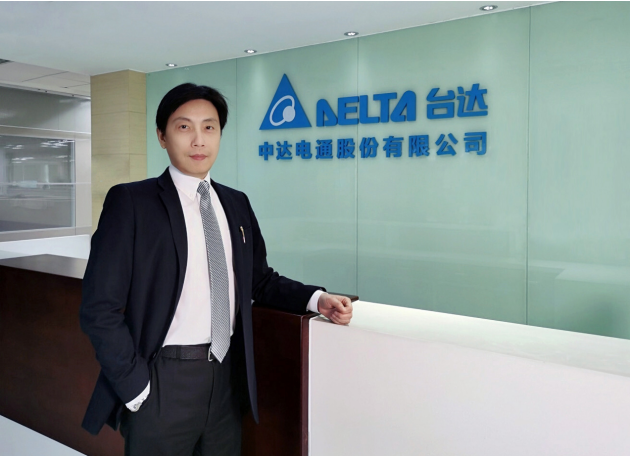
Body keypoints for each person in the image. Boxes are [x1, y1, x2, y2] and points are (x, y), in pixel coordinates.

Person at [79, 83, 353, 455]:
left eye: (209, 127)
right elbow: (99, 308)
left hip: (227, 379)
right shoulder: (131, 202)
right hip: (163, 381)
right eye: (184, 127)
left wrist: (315, 299)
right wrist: (135, 386)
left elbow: (259, 279)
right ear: (162, 136)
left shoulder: (236, 203)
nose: (198, 140)